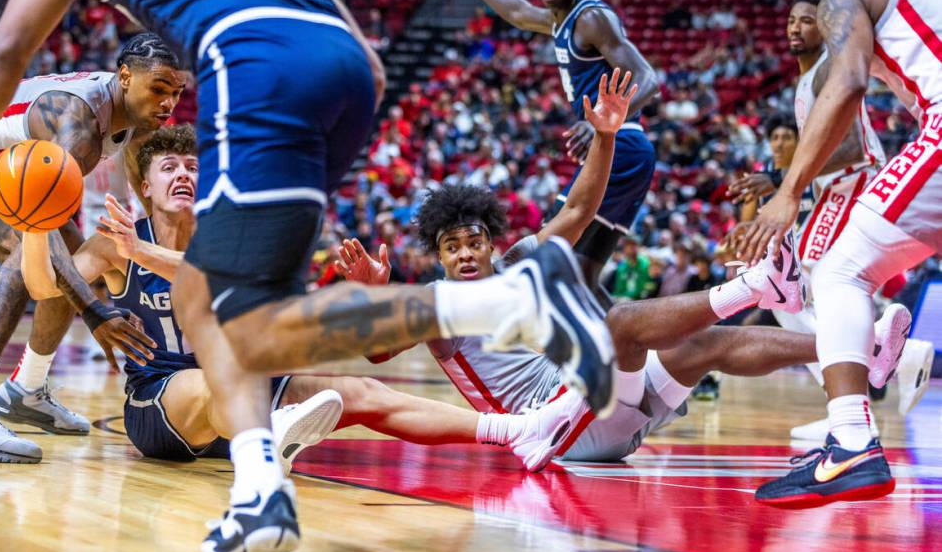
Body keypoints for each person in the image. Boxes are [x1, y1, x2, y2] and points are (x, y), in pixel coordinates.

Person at [0, 0, 616, 552]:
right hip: (348, 72)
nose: (180, 166)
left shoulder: (122, 139)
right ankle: (259, 492)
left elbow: (1, 54)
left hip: (256, 65)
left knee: (228, 313)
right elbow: (373, 63)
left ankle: (503, 300)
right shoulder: (104, 198)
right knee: (224, 309)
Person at [18, 125, 581, 478]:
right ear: (145, 185)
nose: (184, 175)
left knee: (361, 390)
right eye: (170, 167)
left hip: (247, 394)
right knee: (220, 385)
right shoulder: (113, 244)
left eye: (194, 167)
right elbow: (44, 290)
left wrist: (365, 292)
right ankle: (270, 430)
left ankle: (516, 430)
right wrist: (35, 226)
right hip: (163, 408)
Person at [337, 175, 910, 467]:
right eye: (452, 247)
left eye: (474, 242)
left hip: (594, 412)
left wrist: (607, 134)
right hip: (552, 432)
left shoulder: (516, 263)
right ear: (438, 257)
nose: (465, 255)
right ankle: (757, 285)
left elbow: (580, 209)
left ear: (492, 244)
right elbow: (379, 355)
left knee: (710, 343)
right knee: (622, 325)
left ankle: (857, 347)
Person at [734, 0, 941, 508]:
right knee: (812, 282)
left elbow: (850, 83)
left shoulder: (842, 1)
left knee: (837, 274)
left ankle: (850, 438)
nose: (799, 22)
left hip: (864, 171)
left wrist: (786, 191)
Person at [0, 33, 186, 464]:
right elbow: (37, 222)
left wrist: (163, 266)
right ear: (124, 77)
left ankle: (27, 388)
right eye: (159, 89)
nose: (168, 103)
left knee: (75, 260)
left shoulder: (138, 118)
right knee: (28, 243)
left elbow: (150, 204)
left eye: (176, 93)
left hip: (3, 172)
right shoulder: (78, 123)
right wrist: (95, 311)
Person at [474, 0, 660, 306]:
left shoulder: (591, 18)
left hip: (621, 144)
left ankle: (482, 310)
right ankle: (641, 345)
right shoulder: (559, 18)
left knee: (551, 243)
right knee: (583, 278)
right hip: (626, 150)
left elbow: (648, 80)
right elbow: (519, 12)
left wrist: (601, 121)